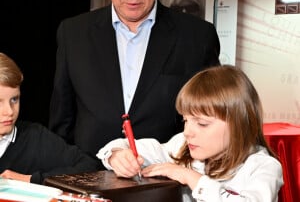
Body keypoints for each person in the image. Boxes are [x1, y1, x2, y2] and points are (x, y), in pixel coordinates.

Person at [49, 0, 220, 155]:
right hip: (87, 182)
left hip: (166, 184)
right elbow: (61, 127)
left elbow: (213, 125)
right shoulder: (73, 34)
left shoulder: (197, 38)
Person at [97, 65, 283, 202]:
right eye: (186, 120)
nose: (187, 132)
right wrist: (117, 156)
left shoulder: (263, 167)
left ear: (239, 124)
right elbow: (127, 146)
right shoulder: (181, 146)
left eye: (202, 124)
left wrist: (191, 178)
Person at [0, 52, 102, 184]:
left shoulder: (35, 137)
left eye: (14, 99)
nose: (9, 111)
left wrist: (31, 179)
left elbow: (90, 167)